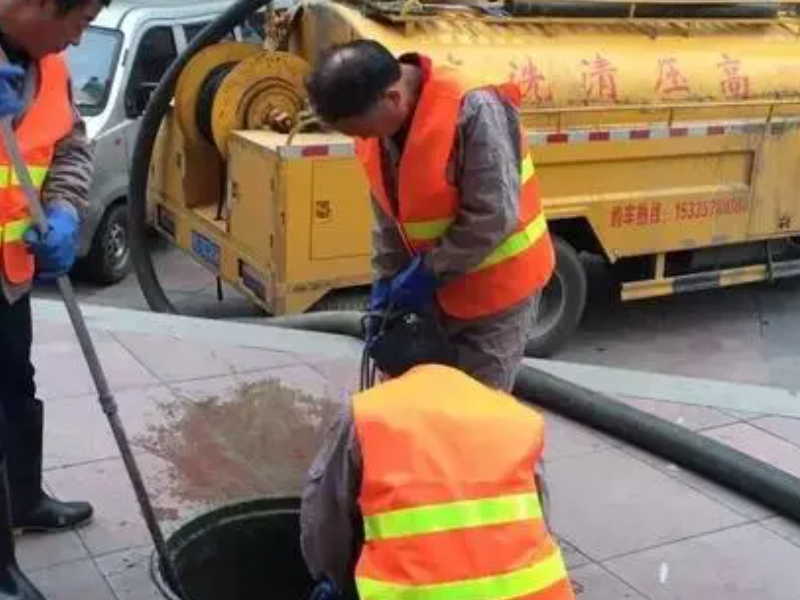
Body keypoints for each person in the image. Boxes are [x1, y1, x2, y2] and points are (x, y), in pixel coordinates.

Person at [305, 40, 555, 392]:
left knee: (477, 406)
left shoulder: (474, 106)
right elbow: (389, 220)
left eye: (363, 130)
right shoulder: (377, 123)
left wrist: (426, 273)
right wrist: (385, 285)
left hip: (497, 294)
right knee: (420, 399)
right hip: (437, 292)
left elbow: (494, 215)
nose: (363, 139)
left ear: (393, 98)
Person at [300, 309, 575, 600]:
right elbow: (539, 518)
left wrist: (336, 580)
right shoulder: (518, 417)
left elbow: (324, 521)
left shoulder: (366, 415)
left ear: (384, 373)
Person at [0, 0, 107, 597]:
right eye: (79, 22)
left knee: (16, 391)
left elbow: (70, 145)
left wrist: (63, 209)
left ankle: (25, 499)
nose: (77, 40)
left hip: (8, 277)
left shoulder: (51, 67)